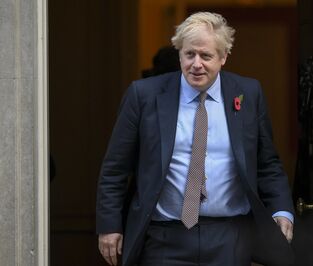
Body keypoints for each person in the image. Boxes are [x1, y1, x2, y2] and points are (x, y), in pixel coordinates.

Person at [96, 12, 294, 266]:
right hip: (164, 238)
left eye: (206, 56)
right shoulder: (144, 96)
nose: (196, 64)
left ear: (223, 57)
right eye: (189, 54)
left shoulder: (248, 94)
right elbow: (115, 168)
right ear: (180, 54)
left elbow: (268, 163)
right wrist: (109, 225)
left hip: (230, 238)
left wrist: (282, 210)